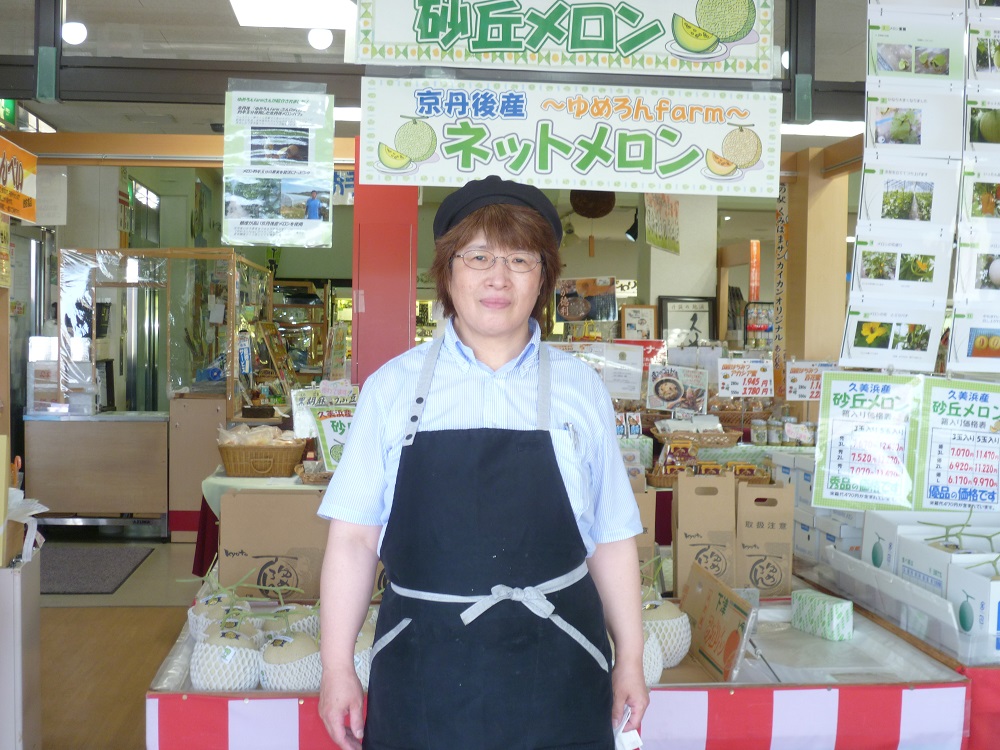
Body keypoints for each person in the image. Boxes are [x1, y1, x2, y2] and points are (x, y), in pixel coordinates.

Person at [317, 175, 649, 750]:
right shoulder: (392, 389)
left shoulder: (580, 389)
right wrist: (336, 665)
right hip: (424, 670)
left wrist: (632, 658)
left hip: (561, 664)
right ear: (447, 272)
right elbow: (352, 542)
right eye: (478, 257)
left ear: (543, 277)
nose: (498, 277)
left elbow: (613, 538)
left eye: (521, 259)